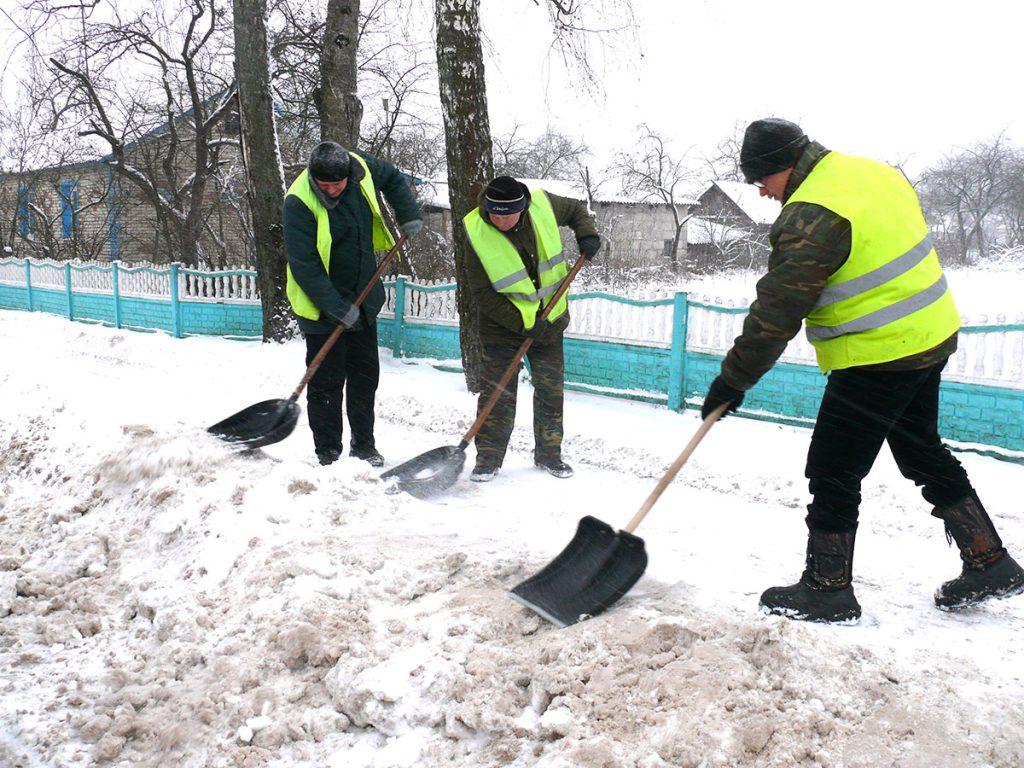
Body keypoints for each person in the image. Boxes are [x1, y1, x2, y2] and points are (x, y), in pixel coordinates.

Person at [700, 118, 1024, 623]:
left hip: (877, 354)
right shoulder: (872, 172)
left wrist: (732, 381)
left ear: (782, 167)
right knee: (920, 450)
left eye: (760, 180)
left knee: (833, 467)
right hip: (929, 335)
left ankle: (827, 589)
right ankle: (990, 561)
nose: (760, 192)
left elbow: (777, 312)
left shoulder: (810, 215)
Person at [283, 141, 422, 467]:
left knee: (364, 377)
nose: (331, 190)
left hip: (364, 294)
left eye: (337, 183)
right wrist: (335, 307)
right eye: (324, 184)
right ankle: (328, 451)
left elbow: (391, 178)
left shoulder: (360, 167)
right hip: (321, 307)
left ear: (349, 174)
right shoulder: (298, 202)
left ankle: (364, 446)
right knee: (327, 381)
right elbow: (304, 265)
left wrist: (408, 213)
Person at [462, 175, 601, 482]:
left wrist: (587, 235)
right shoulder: (475, 231)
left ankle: (549, 455)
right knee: (497, 394)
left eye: (507, 214)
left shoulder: (543, 204)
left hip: (550, 322)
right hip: (502, 327)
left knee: (551, 390)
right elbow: (482, 293)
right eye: (494, 213)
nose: (499, 220)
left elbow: (578, 211)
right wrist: (523, 323)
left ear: (523, 207)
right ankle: (488, 459)